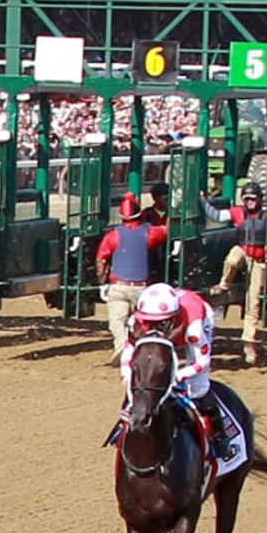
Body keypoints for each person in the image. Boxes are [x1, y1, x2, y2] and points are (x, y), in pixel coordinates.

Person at [117, 281, 233, 461]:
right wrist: (127, 375)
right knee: (139, 382)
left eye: (159, 323)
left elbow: (201, 362)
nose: (153, 327)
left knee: (198, 387)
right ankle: (123, 426)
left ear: (170, 320)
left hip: (194, 323)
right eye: (149, 322)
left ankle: (220, 437)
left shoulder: (194, 328)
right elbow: (128, 354)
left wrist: (178, 376)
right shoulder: (136, 323)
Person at [202, 180, 267, 364]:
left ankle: (249, 342)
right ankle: (224, 284)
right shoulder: (237, 212)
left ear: (260, 199)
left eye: (253, 198)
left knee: (253, 301)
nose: (250, 202)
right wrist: (202, 201)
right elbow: (216, 215)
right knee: (232, 258)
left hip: (258, 260)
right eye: (246, 198)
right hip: (242, 251)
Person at [94, 193, 168, 367]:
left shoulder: (113, 235)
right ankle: (141, 350)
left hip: (117, 286)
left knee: (117, 321)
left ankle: (122, 348)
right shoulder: (150, 232)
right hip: (142, 289)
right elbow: (166, 231)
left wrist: (102, 283)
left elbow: (100, 260)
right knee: (143, 322)